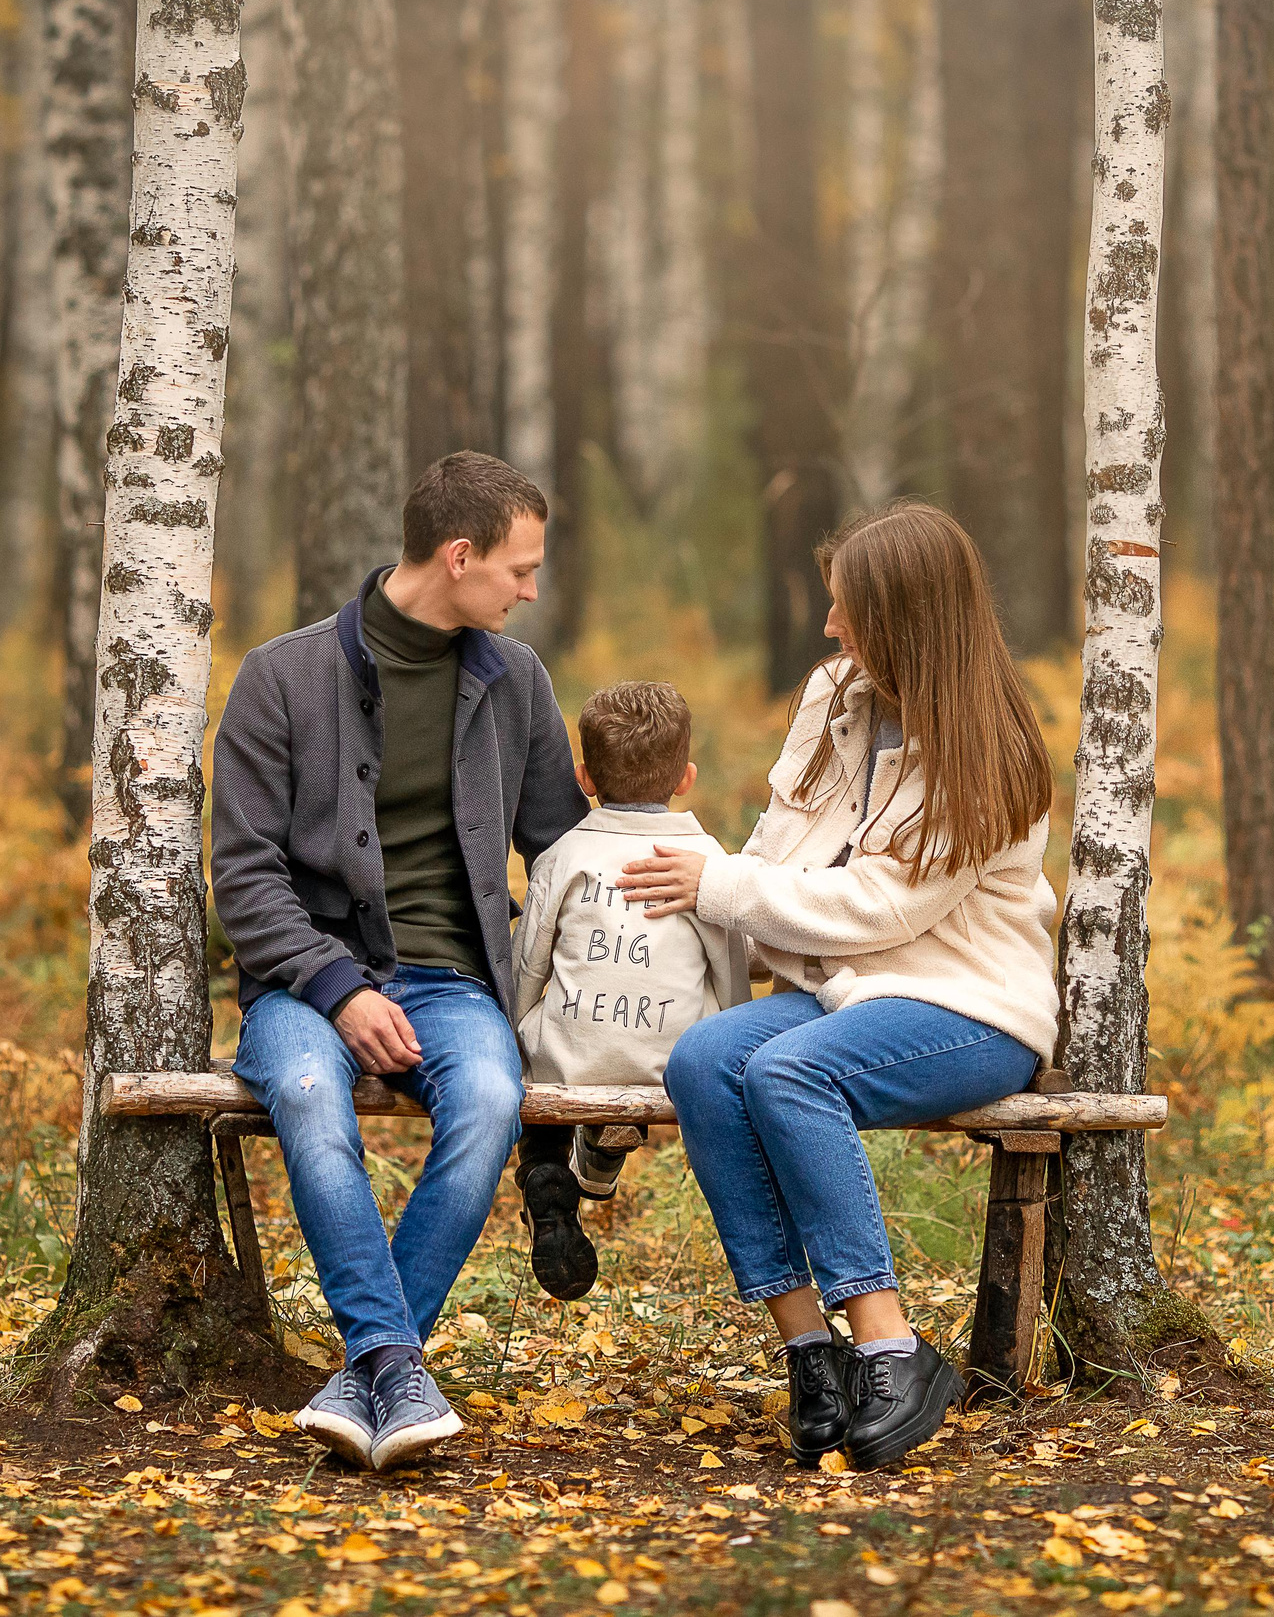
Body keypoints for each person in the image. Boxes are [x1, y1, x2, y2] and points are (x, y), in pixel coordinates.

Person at [618, 501, 1059, 1473]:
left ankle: (891, 1349)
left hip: (969, 1003)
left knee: (790, 1075)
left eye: (845, 609)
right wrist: (707, 911)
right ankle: (811, 1353)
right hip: (844, 990)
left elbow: (882, 906)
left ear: (903, 619)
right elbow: (780, 842)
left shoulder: (991, 746)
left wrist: (719, 885)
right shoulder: (835, 695)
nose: (828, 627)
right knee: (704, 1061)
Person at [210, 452, 590, 1473]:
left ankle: (371, 1368)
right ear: (459, 557)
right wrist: (339, 991)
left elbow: (563, 850)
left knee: (490, 1102)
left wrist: (662, 862)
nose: (530, 590)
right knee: (307, 1094)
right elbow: (243, 876)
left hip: (454, 983)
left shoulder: (515, 682)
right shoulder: (281, 677)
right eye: (519, 568)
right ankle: (394, 1360)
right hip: (304, 985)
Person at [509, 681, 748, 1298]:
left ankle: (543, 1170)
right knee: (643, 1040)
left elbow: (529, 962)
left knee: (545, 1057)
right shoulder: (704, 859)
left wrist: (516, 1025)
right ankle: (602, 1153)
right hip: (671, 1062)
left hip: (570, 1058)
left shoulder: (563, 855)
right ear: (686, 778)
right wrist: (732, 1031)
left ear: (585, 778)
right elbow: (728, 964)